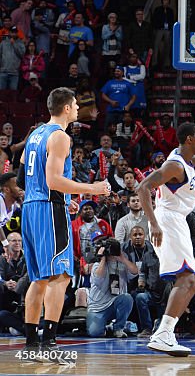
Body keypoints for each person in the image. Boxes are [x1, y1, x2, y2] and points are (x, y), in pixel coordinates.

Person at [21, 87, 110, 365]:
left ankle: (32, 344)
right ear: (67, 108)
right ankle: (49, 344)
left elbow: (25, 164)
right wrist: (91, 187)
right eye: (74, 104)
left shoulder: (36, 132)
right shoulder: (60, 136)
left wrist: (65, 198)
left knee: (39, 278)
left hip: (32, 208)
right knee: (60, 277)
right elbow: (53, 181)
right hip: (48, 209)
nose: (76, 108)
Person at [136, 122, 195, 357]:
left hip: (177, 220)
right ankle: (163, 334)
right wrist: (153, 223)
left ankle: (165, 333)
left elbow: (189, 164)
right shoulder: (174, 164)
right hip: (169, 221)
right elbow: (143, 187)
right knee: (188, 280)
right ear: (188, 140)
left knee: (192, 282)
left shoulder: (181, 159)